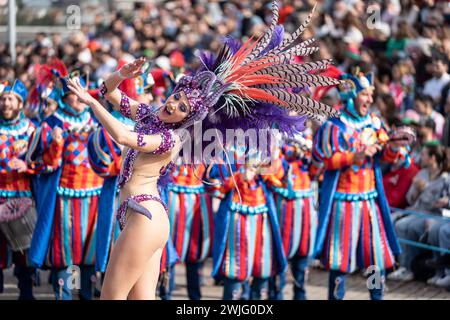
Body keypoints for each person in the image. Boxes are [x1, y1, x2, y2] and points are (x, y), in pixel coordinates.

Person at [66, 1, 339, 299]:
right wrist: (122, 73)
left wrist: (90, 103)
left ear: (188, 119)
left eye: (181, 108)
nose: (172, 105)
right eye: (176, 98)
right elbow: (109, 92)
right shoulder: (150, 117)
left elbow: (121, 135)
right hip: (141, 217)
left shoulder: (171, 140)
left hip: (144, 217)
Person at [312, 70, 411, 300]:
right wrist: (352, 157)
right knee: (340, 262)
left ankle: (376, 297)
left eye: (370, 94)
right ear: (351, 96)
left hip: (369, 202)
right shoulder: (334, 126)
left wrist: (394, 148)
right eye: (364, 94)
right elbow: (322, 158)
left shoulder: (375, 123)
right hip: (343, 203)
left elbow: (387, 154)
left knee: (375, 260)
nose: (369, 99)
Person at [26, 63, 103, 300]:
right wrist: (55, 144)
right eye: (73, 95)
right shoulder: (51, 124)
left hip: (94, 195)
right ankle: (66, 295)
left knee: (90, 250)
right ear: (64, 96)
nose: (79, 100)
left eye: (82, 95)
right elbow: (36, 162)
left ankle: (87, 294)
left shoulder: (97, 121)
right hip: (65, 197)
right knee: (67, 252)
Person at [267, 132, 318, 300]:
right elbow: (269, 172)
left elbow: (316, 171)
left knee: (302, 257)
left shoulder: (308, 139)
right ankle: (276, 295)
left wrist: (312, 155)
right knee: (279, 256)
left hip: (304, 205)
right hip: (283, 204)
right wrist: (287, 153)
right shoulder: (270, 135)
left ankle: (300, 295)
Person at [389, 144, 450, 282]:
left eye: (423, 154)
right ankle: (395, 264)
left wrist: (435, 196)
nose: (420, 158)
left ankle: (409, 267)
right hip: (416, 211)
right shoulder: (421, 174)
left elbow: (440, 204)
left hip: (433, 214)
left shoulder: (445, 178)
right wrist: (417, 190)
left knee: (404, 226)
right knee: (391, 221)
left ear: (432, 158)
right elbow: (410, 199)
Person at [0, 80, 36, 300]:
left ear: (20, 103)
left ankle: (26, 292)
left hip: (22, 196)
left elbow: (44, 160)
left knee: (23, 251)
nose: (5, 103)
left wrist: (28, 166)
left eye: (10, 99)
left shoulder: (31, 129)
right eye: (3, 99)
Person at [166, 163, 213, 300]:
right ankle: (166, 293)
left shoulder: (206, 148)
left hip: (196, 203)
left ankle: (195, 297)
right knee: (169, 251)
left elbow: (213, 177)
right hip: (173, 200)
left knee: (194, 252)